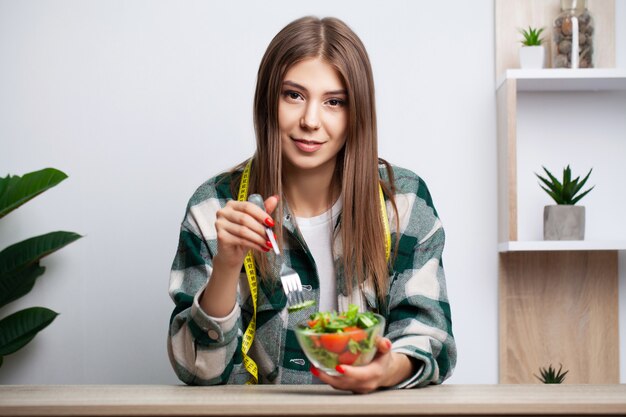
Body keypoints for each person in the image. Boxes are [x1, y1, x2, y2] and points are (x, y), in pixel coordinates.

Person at [167, 16, 456, 393]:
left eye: (334, 102)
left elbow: (429, 334)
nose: (310, 120)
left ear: (358, 114)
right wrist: (226, 265)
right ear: (268, 101)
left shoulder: (403, 202)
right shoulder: (214, 208)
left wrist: (385, 371)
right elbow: (197, 371)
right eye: (294, 95)